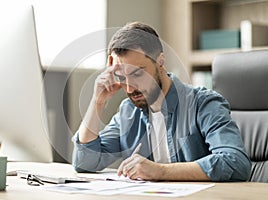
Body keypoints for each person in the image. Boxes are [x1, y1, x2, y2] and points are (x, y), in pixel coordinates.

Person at [72, 21, 251, 181]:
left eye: (137, 74)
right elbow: (84, 162)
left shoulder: (203, 104)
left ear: (161, 62)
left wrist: (160, 171)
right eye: (121, 77)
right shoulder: (129, 111)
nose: (129, 89)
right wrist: (97, 101)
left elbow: (235, 162)